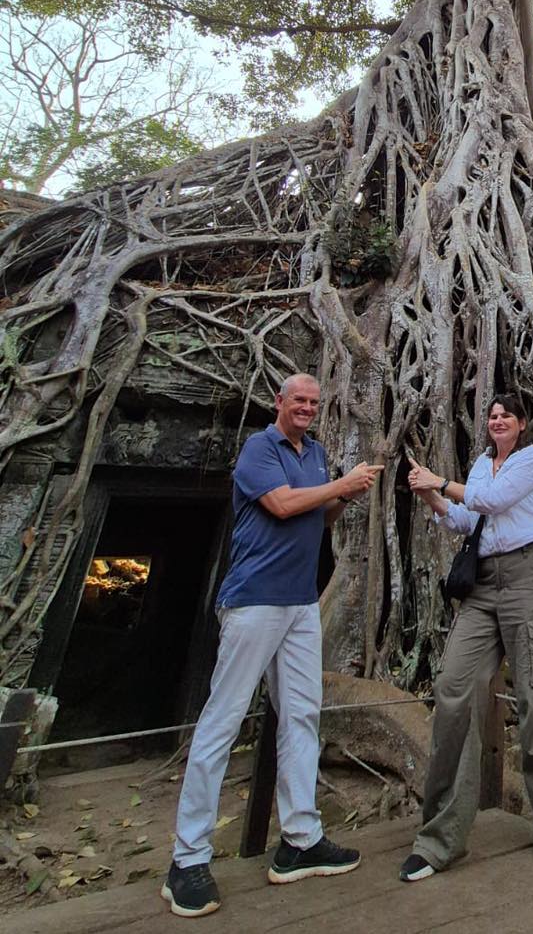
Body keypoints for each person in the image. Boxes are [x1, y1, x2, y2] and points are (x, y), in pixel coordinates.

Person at [162, 373, 380, 918]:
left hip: (301, 603)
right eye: (297, 400)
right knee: (222, 720)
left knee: (303, 715)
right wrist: (339, 484)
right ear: (279, 402)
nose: (305, 408)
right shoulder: (259, 449)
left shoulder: (316, 452)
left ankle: (299, 840)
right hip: (255, 600)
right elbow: (282, 505)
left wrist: (344, 497)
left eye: (313, 402)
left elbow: (316, 514)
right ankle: (187, 859)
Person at [399, 392, 533, 882]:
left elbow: (493, 501)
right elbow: (467, 518)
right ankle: (438, 839)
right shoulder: (480, 466)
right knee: (453, 690)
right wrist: (431, 497)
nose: (498, 419)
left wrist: (442, 480)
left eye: (507, 415)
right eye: (493, 414)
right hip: (482, 586)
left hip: (532, 578)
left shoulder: (531, 460)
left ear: (521, 425)